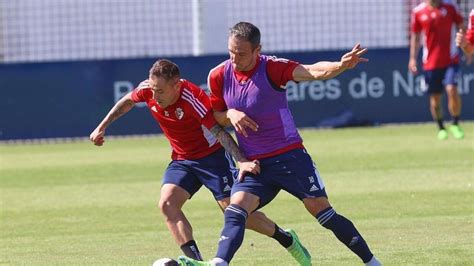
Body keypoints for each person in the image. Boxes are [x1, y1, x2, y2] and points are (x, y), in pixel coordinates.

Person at [178, 22, 381, 266]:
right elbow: (217, 118)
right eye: (231, 51)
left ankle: (372, 262)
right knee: (235, 210)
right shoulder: (219, 75)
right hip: (255, 163)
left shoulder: (272, 68)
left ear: (257, 50)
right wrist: (231, 113)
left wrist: (340, 65)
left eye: (241, 53)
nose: (234, 58)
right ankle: (219, 262)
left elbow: (312, 70)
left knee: (323, 213)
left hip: (290, 157)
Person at [89, 59, 312, 264]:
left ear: (176, 86)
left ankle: (286, 239)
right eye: (153, 89)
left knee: (235, 213)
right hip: (182, 159)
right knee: (167, 204)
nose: (154, 96)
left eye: (160, 91)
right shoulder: (148, 90)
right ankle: (197, 261)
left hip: (213, 159)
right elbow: (127, 101)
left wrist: (242, 160)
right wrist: (102, 126)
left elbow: (219, 132)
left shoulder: (192, 99)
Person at [409, 0, 465, 140]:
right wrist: (412, 58)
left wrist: (466, 48)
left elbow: (461, 26)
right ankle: (441, 128)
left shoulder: (450, 6)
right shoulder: (418, 12)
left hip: (451, 59)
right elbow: (415, 37)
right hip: (431, 63)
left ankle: (455, 123)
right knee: (435, 99)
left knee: (452, 89)